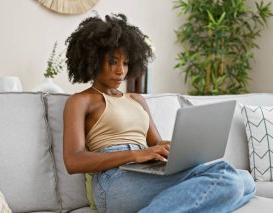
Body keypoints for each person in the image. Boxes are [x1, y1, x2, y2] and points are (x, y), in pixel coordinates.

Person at [63, 13, 255, 213]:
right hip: (114, 181)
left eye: (126, 62)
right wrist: (136, 154)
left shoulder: (136, 99)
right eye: (113, 62)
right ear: (93, 60)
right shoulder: (80, 101)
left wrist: (181, 147)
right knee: (228, 179)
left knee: (244, 179)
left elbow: (156, 144)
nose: (121, 70)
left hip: (146, 171)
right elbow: (74, 161)